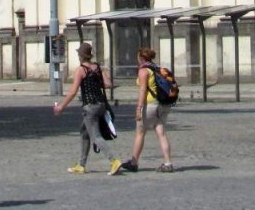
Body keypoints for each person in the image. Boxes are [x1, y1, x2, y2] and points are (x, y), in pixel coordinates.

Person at [55, 42, 117, 174]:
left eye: (78, 54)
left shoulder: (81, 70)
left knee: (95, 137)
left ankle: (114, 161)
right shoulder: (97, 68)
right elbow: (108, 84)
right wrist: (96, 81)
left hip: (90, 106)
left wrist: (61, 106)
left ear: (81, 56)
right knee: (84, 132)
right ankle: (81, 165)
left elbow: (72, 92)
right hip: (101, 105)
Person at [110, 46, 173, 175]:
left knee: (140, 132)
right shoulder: (157, 68)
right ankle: (168, 163)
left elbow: (143, 90)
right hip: (162, 105)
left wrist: (139, 108)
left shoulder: (144, 71)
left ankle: (134, 162)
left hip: (149, 105)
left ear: (141, 58)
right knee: (161, 132)